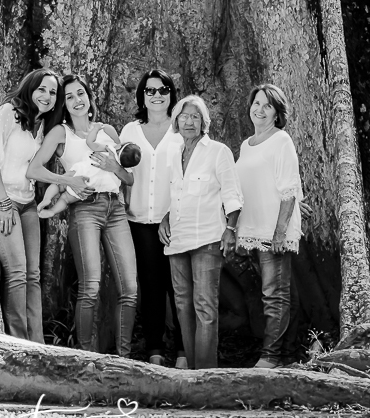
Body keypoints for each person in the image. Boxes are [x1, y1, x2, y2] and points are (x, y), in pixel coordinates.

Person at [28, 74, 138, 356]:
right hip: (84, 209)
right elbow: (34, 169)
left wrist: (115, 167)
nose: (77, 100)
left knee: (129, 288)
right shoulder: (60, 133)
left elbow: (129, 178)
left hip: (116, 209)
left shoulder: (107, 131)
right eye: (69, 97)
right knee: (90, 287)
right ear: (64, 105)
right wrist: (67, 181)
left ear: (89, 97)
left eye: (80, 94)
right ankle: (86, 357)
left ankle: (124, 359)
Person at [0, 68, 63, 342]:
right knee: (17, 272)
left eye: (52, 92)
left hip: (27, 204)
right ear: (30, 88)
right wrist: (3, 203)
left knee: (33, 275)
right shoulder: (6, 114)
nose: (47, 96)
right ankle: (19, 343)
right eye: (42, 89)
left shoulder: (42, 126)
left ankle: (38, 344)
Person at [158, 95, 243, 369]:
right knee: (183, 306)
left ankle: (205, 374)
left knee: (204, 307)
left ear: (204, 122)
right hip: (177, 240)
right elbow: (177, 195)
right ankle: (192, 374)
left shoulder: (218, 151)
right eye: (184, 116)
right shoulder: (174, 154)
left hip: (208, 240)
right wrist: (164, 219)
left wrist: (231, 229)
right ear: (176, 122)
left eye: (195, 117)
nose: (189, 121)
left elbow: (232, 194)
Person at [235, 83, 311, 368]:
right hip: (255, 229)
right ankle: (288, 354)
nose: (260, 110)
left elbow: (289, 188)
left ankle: (270, 356)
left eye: (267, 105)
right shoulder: (246, 145)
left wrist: (279, 232)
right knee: (283, 292)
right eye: (256, 103)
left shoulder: (281, 140)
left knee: (274, 294)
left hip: (273, 231)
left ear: (277, 113)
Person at [119, 69, 187, 368]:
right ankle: (155, 350)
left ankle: (184, 350)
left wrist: (172, 214)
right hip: (139, 221)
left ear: (171, 94)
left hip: (176, 220)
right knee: (151, 287)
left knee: (180, 287)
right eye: (150, 91)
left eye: (163, 90)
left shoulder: (182, 129)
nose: (157, 95)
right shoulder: (130, 131)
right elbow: (121, 173)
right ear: (142, 96)